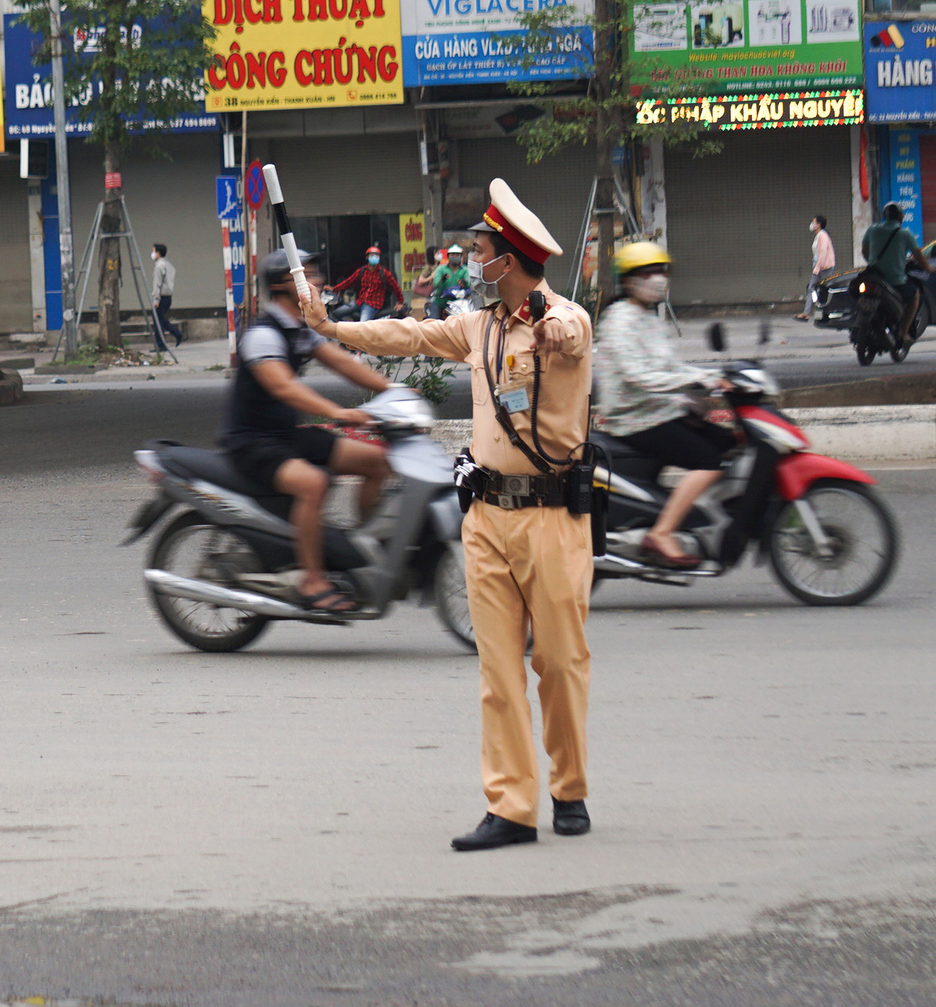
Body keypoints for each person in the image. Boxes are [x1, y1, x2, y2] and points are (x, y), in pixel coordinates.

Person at [305, 179, 594, 852]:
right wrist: (333, 327)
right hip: (486, 517)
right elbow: (406, 335)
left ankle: (569, 786)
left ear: (511, 259)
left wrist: (549, 322)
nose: (470, 261)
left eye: (480, 250)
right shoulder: (477, 327)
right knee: (498, 672)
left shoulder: (565, 320)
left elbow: (572, 334)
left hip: (552, 519)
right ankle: (512, 808)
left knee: (559, 662)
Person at [222, 249, 395, 614]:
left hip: (286, 436)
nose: (315, 281)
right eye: (307, 274)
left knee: (377, 460)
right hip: (252, 442)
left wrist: (391, 392)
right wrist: (337, 412)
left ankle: (363, 555)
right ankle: (312, 579)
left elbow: (344, 363)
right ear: (285, 284)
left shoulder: (300, 330)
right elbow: (284, 387)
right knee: (314, 483)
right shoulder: (263, 335)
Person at [596, 242, 732, 567]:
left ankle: (705, 519)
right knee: (708, 461)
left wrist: (715, 376)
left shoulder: (647, 317)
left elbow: (671, 369)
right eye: (647, 273)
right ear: (628, 280)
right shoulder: (620, 320)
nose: (657, 279)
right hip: (635, 418)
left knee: (730, 442)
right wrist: (698, 383)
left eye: (660, 272)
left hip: (660, 411)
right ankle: (662, 532)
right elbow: (639, 375)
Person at [861, 203, 931, 329]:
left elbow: (865, 252)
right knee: (915, 296)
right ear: (901, 217)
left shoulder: (872, 229)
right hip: (895, 281)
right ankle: (903, 332)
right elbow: (920, 257)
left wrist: (874, 263)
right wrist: (929, 268)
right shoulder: (905, 234)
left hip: (873, 277)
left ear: (884, 216)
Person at [332, 246, 404, 321]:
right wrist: (334, 289)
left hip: (373, 305)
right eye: (372, 255)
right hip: (360, 302)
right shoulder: (362, 271)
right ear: (367, 257)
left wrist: (400, 302)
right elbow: (348, 282)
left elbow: (396, 288)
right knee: (336, 313)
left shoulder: (384, 273)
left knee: (363, 324)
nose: (374, 257)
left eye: (376, 256)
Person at [796, 215, 833, 321]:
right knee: (819, 289)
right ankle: (818, 312)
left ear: (819, 224)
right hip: (822, 266)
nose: (812, 224)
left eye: (814, 222)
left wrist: (817, 268)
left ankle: (809, 313)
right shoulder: (820, 235)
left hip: (823, 267)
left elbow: (822, 253)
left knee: (814, 288)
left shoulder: (822, 236)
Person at [151, 244, 184, 346]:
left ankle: (162, 343)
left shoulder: (159, 266)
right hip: (168, 296)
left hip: (161, 296)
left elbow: (157, 284)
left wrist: (155, 299)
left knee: (158, 321)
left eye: (153, 251)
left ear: (158, 253)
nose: (152, 254)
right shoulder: (169, 265)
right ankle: (176, 333)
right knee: (160, 319)